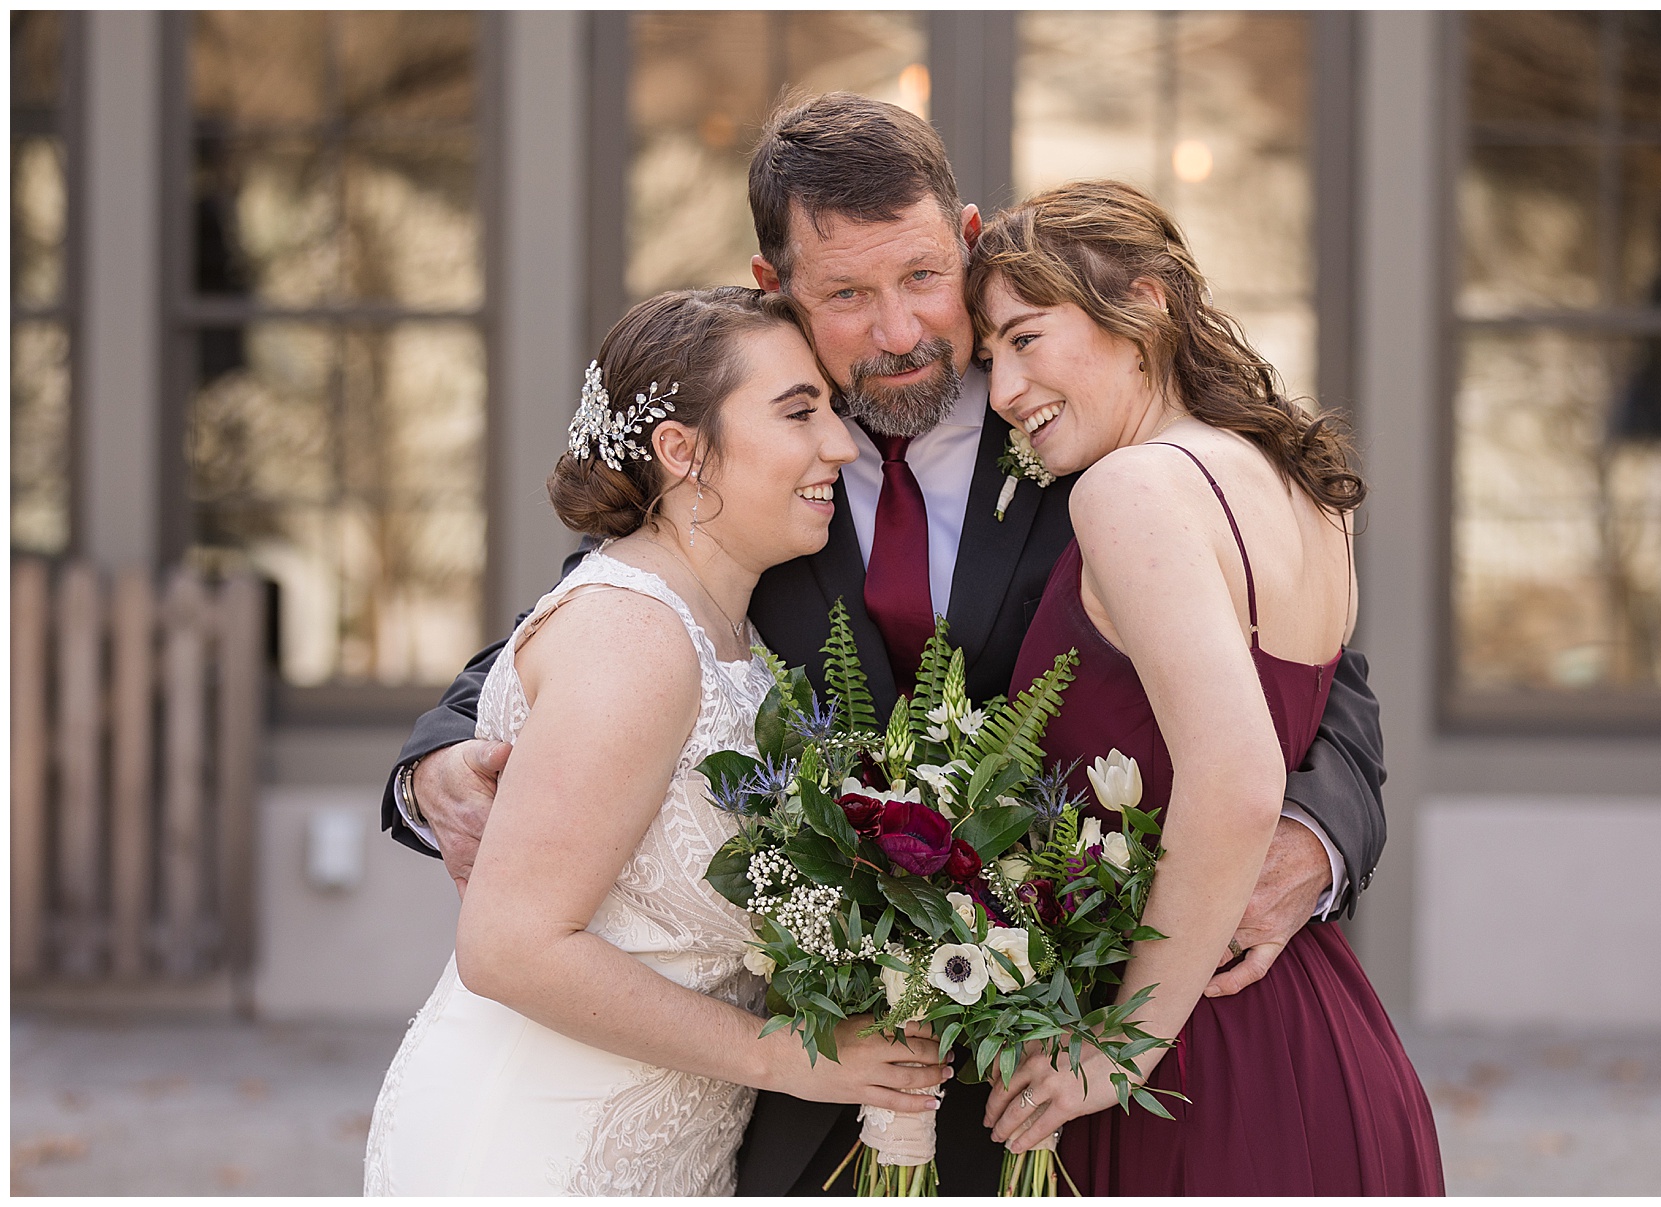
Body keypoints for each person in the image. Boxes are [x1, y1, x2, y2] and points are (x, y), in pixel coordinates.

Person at [379, 93, 1391, 1196]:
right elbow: (611, 605)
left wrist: (1313, 837)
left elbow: (1313, 675)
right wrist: (435, 755)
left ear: (963, 237)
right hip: (806, 1096)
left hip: (1064, 1068)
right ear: (778, 291)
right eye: (848, 297)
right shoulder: (749, 458)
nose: (901, 331)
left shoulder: (1080, 422)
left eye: (920, 278)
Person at [363, 287, 951, 1195]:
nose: (840, 444)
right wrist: (799, 1055)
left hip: (668, 1146)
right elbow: (510, 947)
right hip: (539, 1140)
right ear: (682, 452)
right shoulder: (632, 635)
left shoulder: (739, 639)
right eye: (800, 413)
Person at [971, 181, 1443, 1194]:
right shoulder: (1299, 485)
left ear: (1142, 304)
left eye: (1025, 338)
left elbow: (1235, 777)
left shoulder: (1132, 490)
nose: (1004, 389)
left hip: (1192, 1073)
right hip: (1320, 1031)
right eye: (990, 356)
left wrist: (1121, 1049)